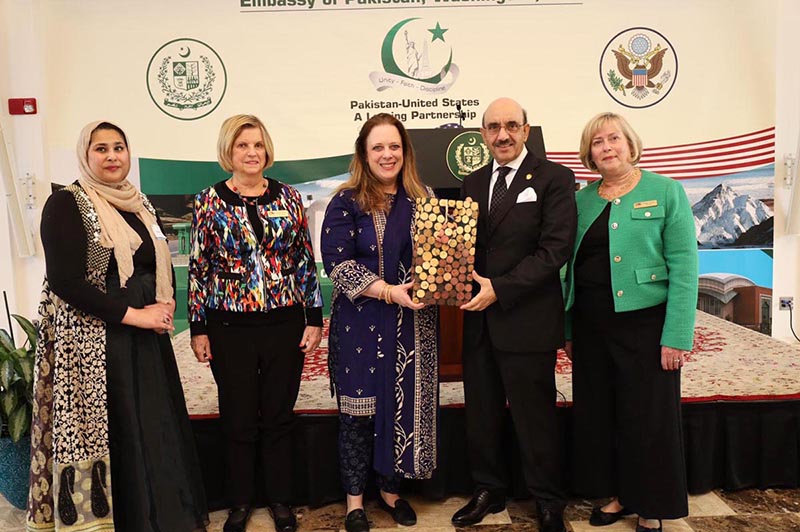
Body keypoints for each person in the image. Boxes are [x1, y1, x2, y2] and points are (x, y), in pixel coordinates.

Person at [28, 121, 208, 532]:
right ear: (85, 155)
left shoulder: (138, 202)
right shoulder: (66, 204)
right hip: (95, 342)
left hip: (145, 337)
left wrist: (165, 304)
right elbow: (65, 281)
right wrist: (137, 316)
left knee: (153, 423)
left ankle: (162, 515)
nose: (112, 157)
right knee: (119, 426)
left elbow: (158, 258)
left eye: (119, 148)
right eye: (101, 149)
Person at [187, 114, 323, 532]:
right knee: (239, 416)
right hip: (230, 327)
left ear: (267, 151)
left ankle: (281, 500)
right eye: (242, 145)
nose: (251, 152)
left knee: (279, 414)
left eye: (258, 145)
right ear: (228, 151)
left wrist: (314, 318)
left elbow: (303, 260)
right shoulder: (207, 201)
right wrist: (198, 327)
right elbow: (199, 268)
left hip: (284, 323)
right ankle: (241, 502)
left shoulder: (288, 198)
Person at [563, 112, 698, 532]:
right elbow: (565, 269)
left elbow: (685, 267)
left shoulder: (666, 192)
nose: (607, 147)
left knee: (649, 418)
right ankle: (622, 496)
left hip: (645, 325)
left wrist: (676, 335)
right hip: (591, 327)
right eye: (598, 142)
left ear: (629, 143)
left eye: (613, 138)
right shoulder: (581, 201)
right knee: (604, 417)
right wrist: (567, 331)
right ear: (589, 153)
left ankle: (652, 505)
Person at [453, 98, 577, 532]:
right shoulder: (471, 182)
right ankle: (488, 490)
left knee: (535, 416)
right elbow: (465, 249)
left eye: (510, 126)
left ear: (526, 130)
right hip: (479, 322)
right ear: (482, 134)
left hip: (525, 320)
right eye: (492, 127)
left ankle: (547, 499)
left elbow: (555, 249)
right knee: (481, 414)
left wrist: (498, 290)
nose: (501, 135)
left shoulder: (554, 178)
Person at [320, 113, 439, 532]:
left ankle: (390, 492)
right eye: (378, 148)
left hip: (412, 324)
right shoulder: (346, 200)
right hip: (361, 323)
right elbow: (338, 264)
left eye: (394, 146)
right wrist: (388, 291)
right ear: (363, 154)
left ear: (404, 151)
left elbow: (437, 255)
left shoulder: (423, 197)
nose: (387, 155)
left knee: (399, 407)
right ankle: (355, 502)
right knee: (358, 412)